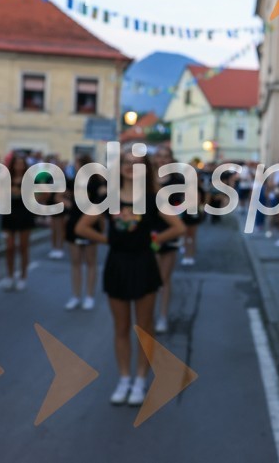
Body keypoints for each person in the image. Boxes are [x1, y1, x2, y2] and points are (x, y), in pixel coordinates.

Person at [75, 146, 185, 406]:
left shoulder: (152, 197)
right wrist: (108, 239)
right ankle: (124, 378)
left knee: (143, 327)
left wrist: (153, 240)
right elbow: (81, 227)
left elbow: (178, 227)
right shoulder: (109, 197)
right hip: (117, 264)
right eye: (125, 161)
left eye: (135, 163)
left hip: (144, 264)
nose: (129, 166)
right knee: (121, 327)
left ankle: (140, 380)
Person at [62, 153, 103, 311]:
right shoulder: (73, 182)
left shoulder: (95, 183)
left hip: (90, 224)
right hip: (73, 223)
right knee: (75, 262)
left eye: (77, 164)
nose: (75, 167)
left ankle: (90, 296)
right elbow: (59, 195)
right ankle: (76, 296)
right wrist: (67, 203)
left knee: (91, 262)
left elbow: (101, 202)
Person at [152, 146, 185, 332]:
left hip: (170, 231)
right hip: (150, 231)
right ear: (155, 158)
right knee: (151, 275)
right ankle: (148, 313)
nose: (163, 159)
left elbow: (182, 206)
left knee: (165, 277)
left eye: (166, 157)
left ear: (171, 159)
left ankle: (162, 316)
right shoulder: (146, 179)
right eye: (160, 156)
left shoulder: (177, 180)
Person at [1, 153, 36, 291]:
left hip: (24, 213)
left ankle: (23, 276)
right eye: (17, 163)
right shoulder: (7, 179)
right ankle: (9, 275)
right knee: (9, 248)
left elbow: (39, 194)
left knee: (23, 247)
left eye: (21, 164)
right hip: (9, 214)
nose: (19, 166)